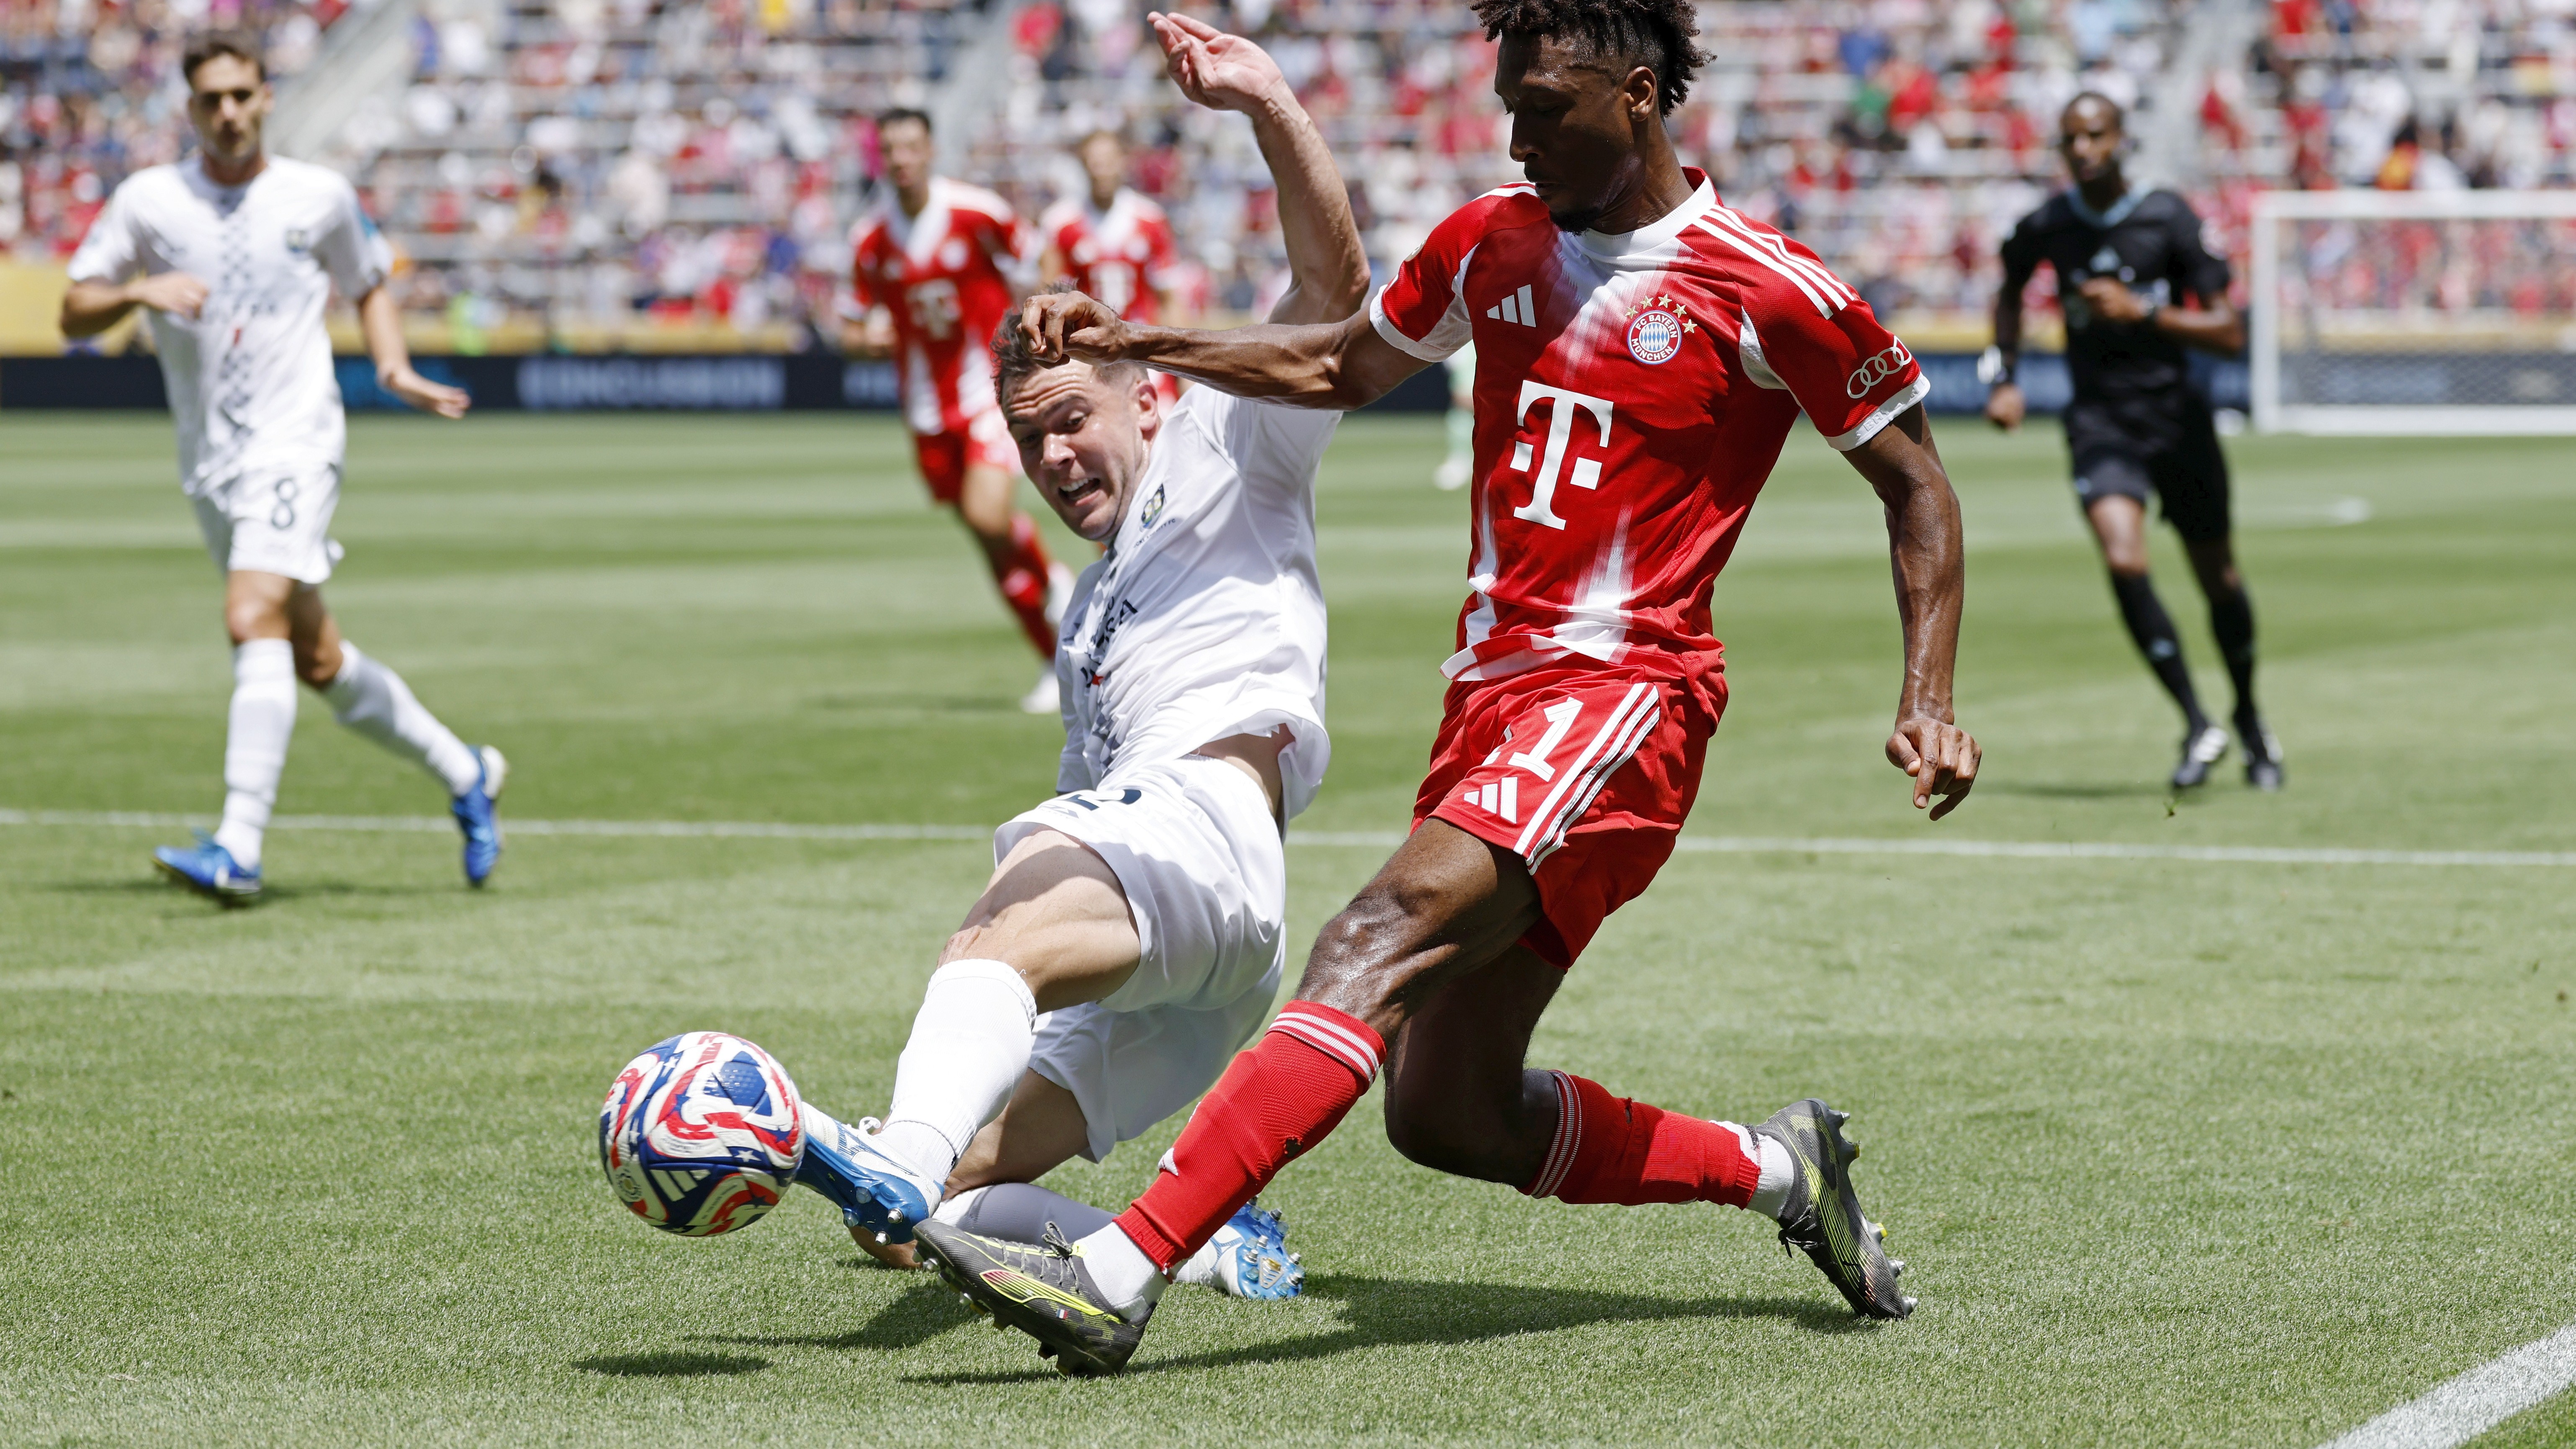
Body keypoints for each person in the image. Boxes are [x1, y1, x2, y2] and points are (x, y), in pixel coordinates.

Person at [921, 0, 1978, 1375]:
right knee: (1446, 1110)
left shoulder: (1765, 283)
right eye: (1509, 104)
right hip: (1491, 700)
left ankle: (1116, 1270)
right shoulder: (1491, 239)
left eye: (1545, 107)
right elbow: (1338, 367)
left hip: (1626, 693)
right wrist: (1145, 345)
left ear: (1640, 97)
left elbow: (1918, 486)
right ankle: (1782, 1172)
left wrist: (1928, 692)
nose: (1516, 133)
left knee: (1377, 932)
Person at [782, 13, 1370, 1315]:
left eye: (1072, 420)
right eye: (1028, 437)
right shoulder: (1087, 616)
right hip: (1192, 943)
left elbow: (1334, 299)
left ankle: (894, 1147)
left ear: (1142, 397)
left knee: (993, 931)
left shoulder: (1228, 440)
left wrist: (1266, 99)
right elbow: (1085, 803)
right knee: (918, 1219)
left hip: (1208, 825)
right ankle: (1193, 1242)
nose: (1051, 459)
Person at [59, 33, 504, 905]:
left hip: (298, 439)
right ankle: (468, 772)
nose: (228, 113)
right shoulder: (149, 202)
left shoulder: (319, 195)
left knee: (248, 610)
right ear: (190, 110)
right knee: (315, 656)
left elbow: (370, 280)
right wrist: (136, 293)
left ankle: (239, 844)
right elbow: (75, 309)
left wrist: (392, 365)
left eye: (242, 95)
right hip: (211, 461)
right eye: (210, 100)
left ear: (266, 98)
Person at [1985, 93, 2280, 791]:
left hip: (2177, 419)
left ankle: (2247, 715)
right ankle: (2195, 719)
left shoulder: (2167, 216)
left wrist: (2145, 311)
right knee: (2122, 559)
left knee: (2220, 578)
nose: (2083, 149)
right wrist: (2003, 374)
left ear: (2120, 140)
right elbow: (2008, 289)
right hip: (2100, 420)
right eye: (2071, 139)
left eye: (2095, 135)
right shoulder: (2048, 225)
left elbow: (2230, 331)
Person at [843, 108, 1072, 715]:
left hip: (987, 392)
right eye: (890, 149)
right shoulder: (869, 238)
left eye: (911, 147)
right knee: (986, 539)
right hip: (924, 409)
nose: (901, 159)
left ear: (930, 149)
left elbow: (1039, 258)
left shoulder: (975, 212)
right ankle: (1055, 658)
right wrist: (863, 339)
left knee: (987, 513)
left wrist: (1038, 323)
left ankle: (1058, 587)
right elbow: (851, 319)